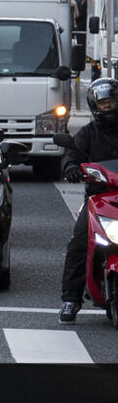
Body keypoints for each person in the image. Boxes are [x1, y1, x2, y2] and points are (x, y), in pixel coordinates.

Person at [59, 78, 118, 323]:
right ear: (95, 106)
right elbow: (71, 153)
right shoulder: (88, 132)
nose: (109, 107)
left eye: (113, 101)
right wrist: (71, 167)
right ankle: (71, 300)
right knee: (79, 242)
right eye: (104, 103)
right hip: (99, 197)